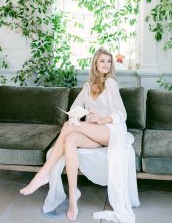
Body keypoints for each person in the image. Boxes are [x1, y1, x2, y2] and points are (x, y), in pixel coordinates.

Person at [20, 48, 140, 222]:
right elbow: (74, 111)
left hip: (111, 130)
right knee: (69, 139)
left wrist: (101, 119)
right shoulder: (87, 86)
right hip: (95, 132)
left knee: (69, 127)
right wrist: (86, 115)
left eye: (108, 61)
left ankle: (42, 174)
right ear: (95, 64)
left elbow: (122, 114)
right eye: (102, 61)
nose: (106, 65)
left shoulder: (111, 83)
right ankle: (73, 196)